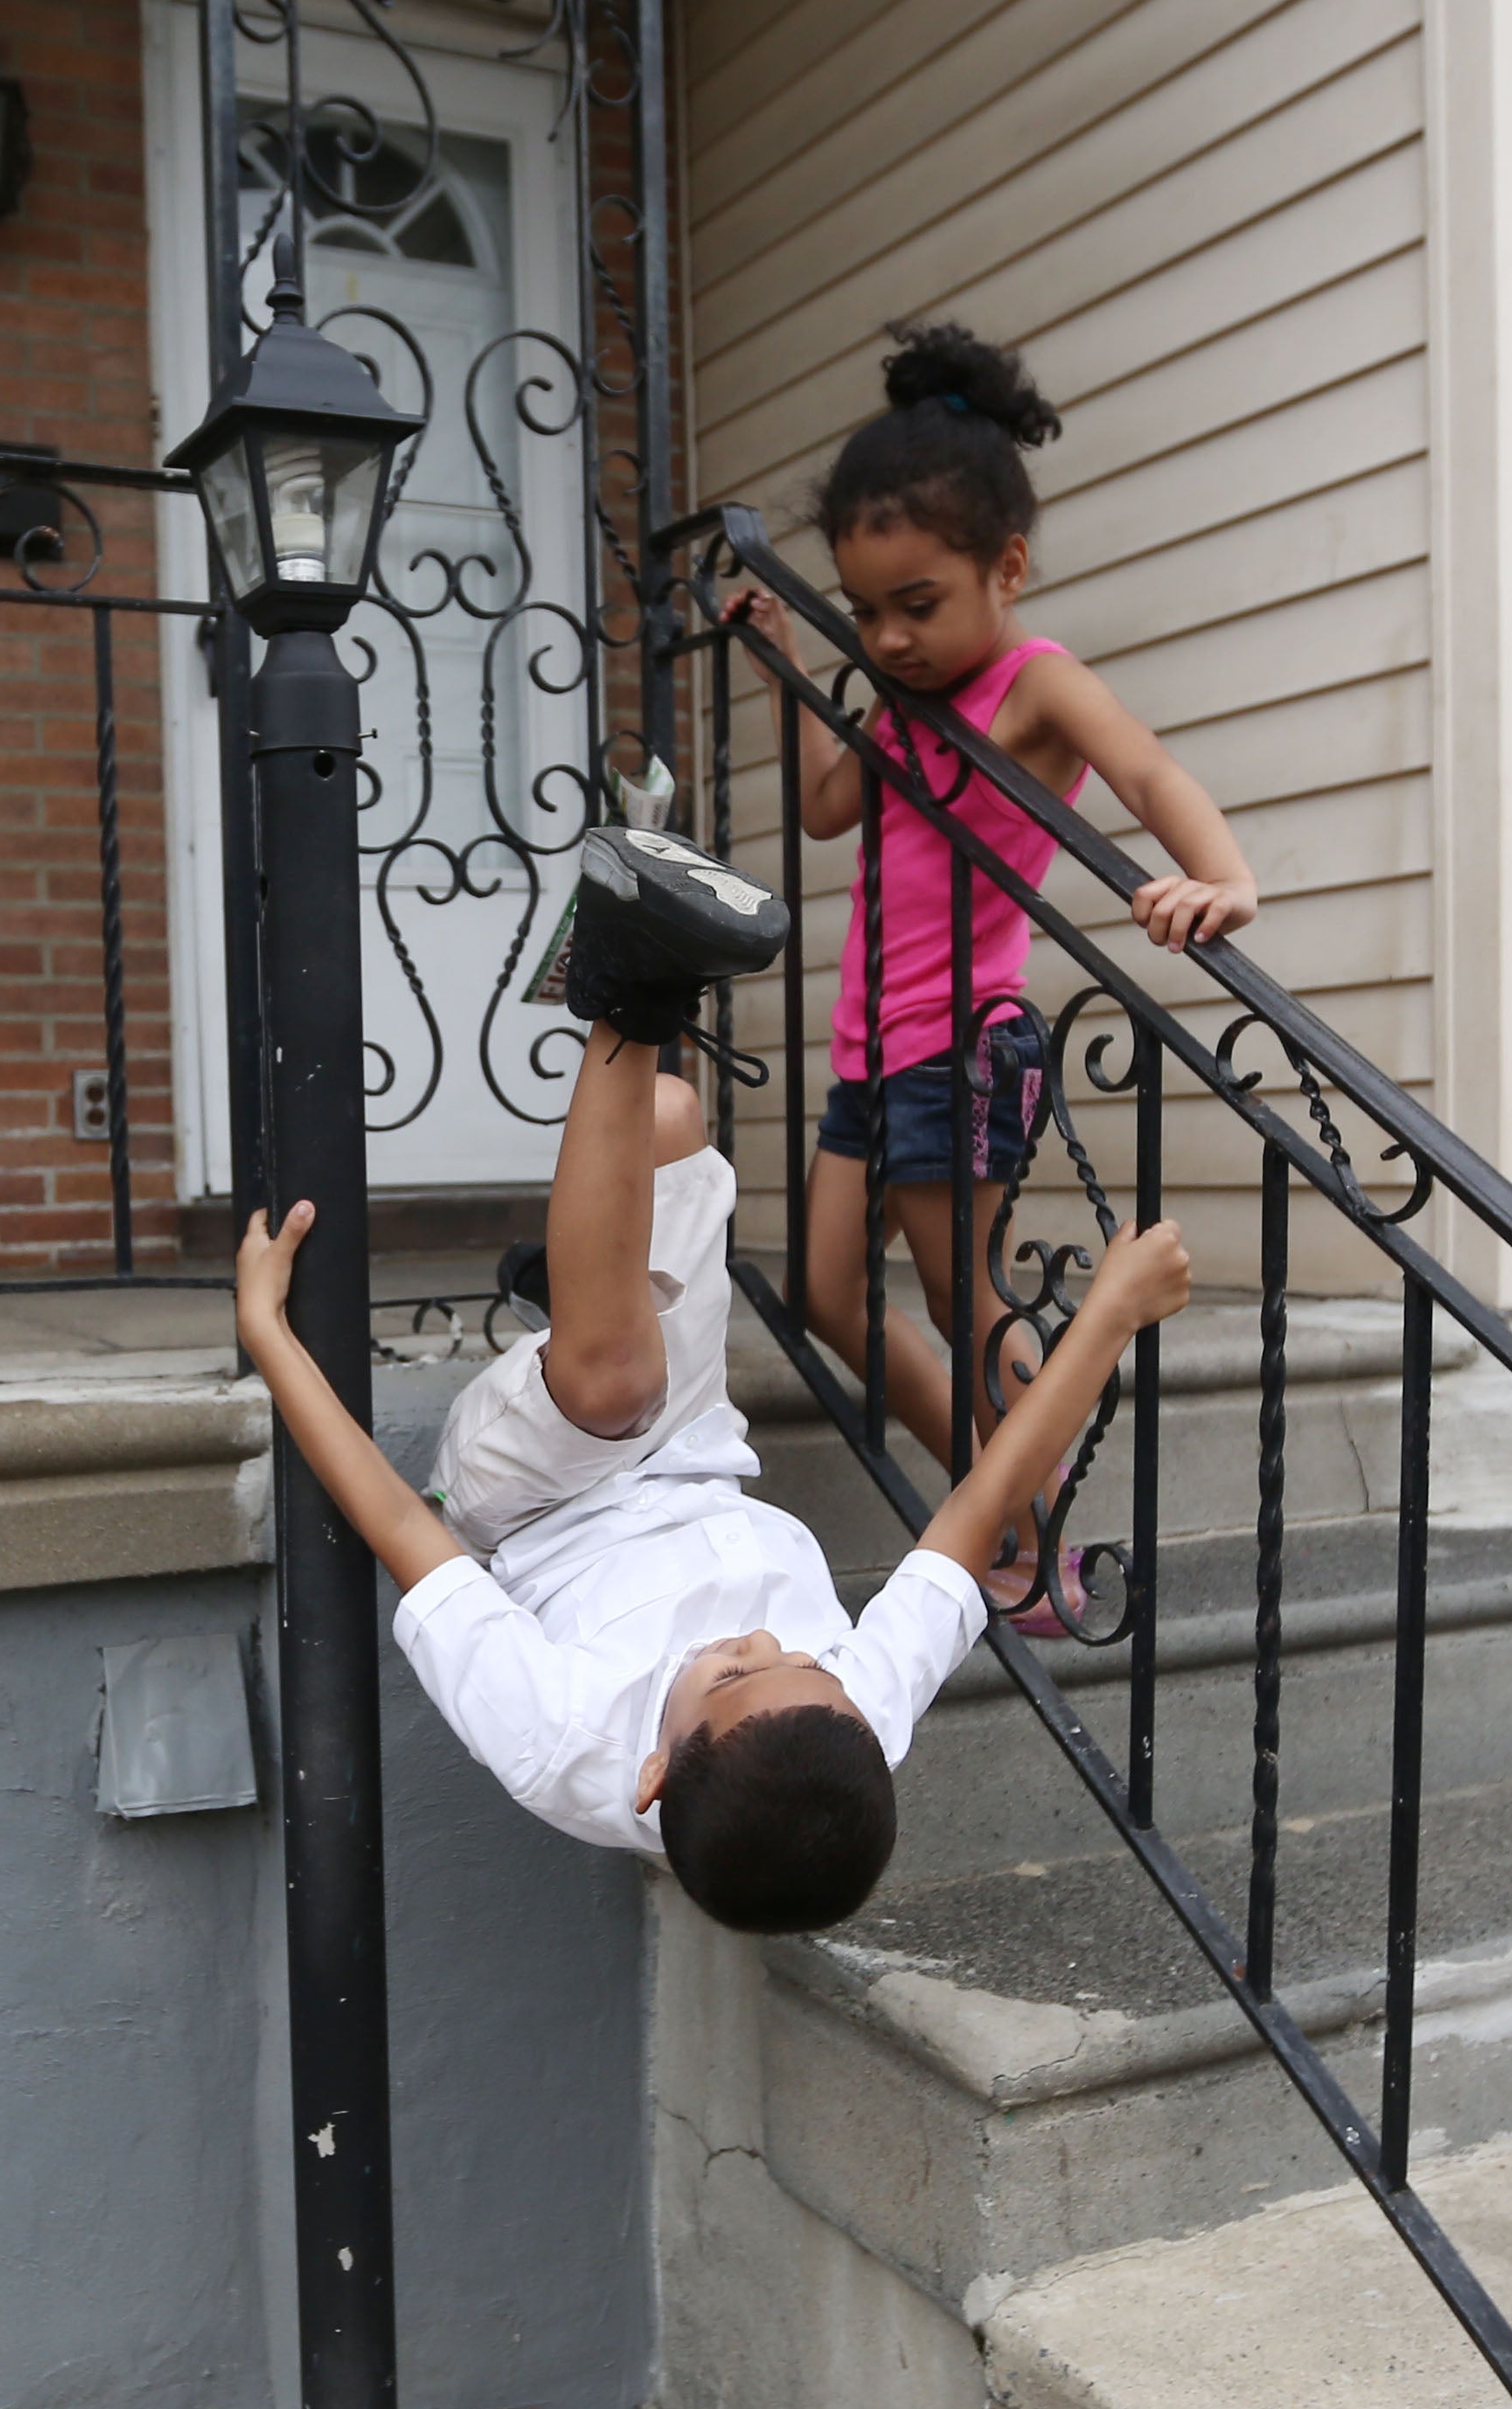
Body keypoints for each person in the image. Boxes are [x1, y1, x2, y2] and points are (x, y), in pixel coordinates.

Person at [232, 825, 1197, 1935]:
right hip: (692, 1439)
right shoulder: (851, 1720)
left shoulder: (559, 1737)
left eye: (734, 1680)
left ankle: (623, 985)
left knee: (614, 1378)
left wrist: (273, 1336)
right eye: (802, 1662)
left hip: (542, 1492)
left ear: (651, 1774)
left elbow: (404, 1528)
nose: (763, 1644)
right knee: (672, 1120)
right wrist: (1111, 1317)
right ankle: (585, 1259)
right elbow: (981, 1505)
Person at [733, 326, 1256, 1614]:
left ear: (1005, 569)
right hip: (871, 1050)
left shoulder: (1034, 684)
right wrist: (793, 671)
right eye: (866, 611)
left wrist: (1222, 878)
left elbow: (1149, 775)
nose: (892, 638)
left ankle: (1035, 1524)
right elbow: (825, 810)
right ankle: (1004, 1483)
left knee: (969, 1302)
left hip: (964, 1044)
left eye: (919, 606)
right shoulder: (904, 704)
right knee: (825, 1291)